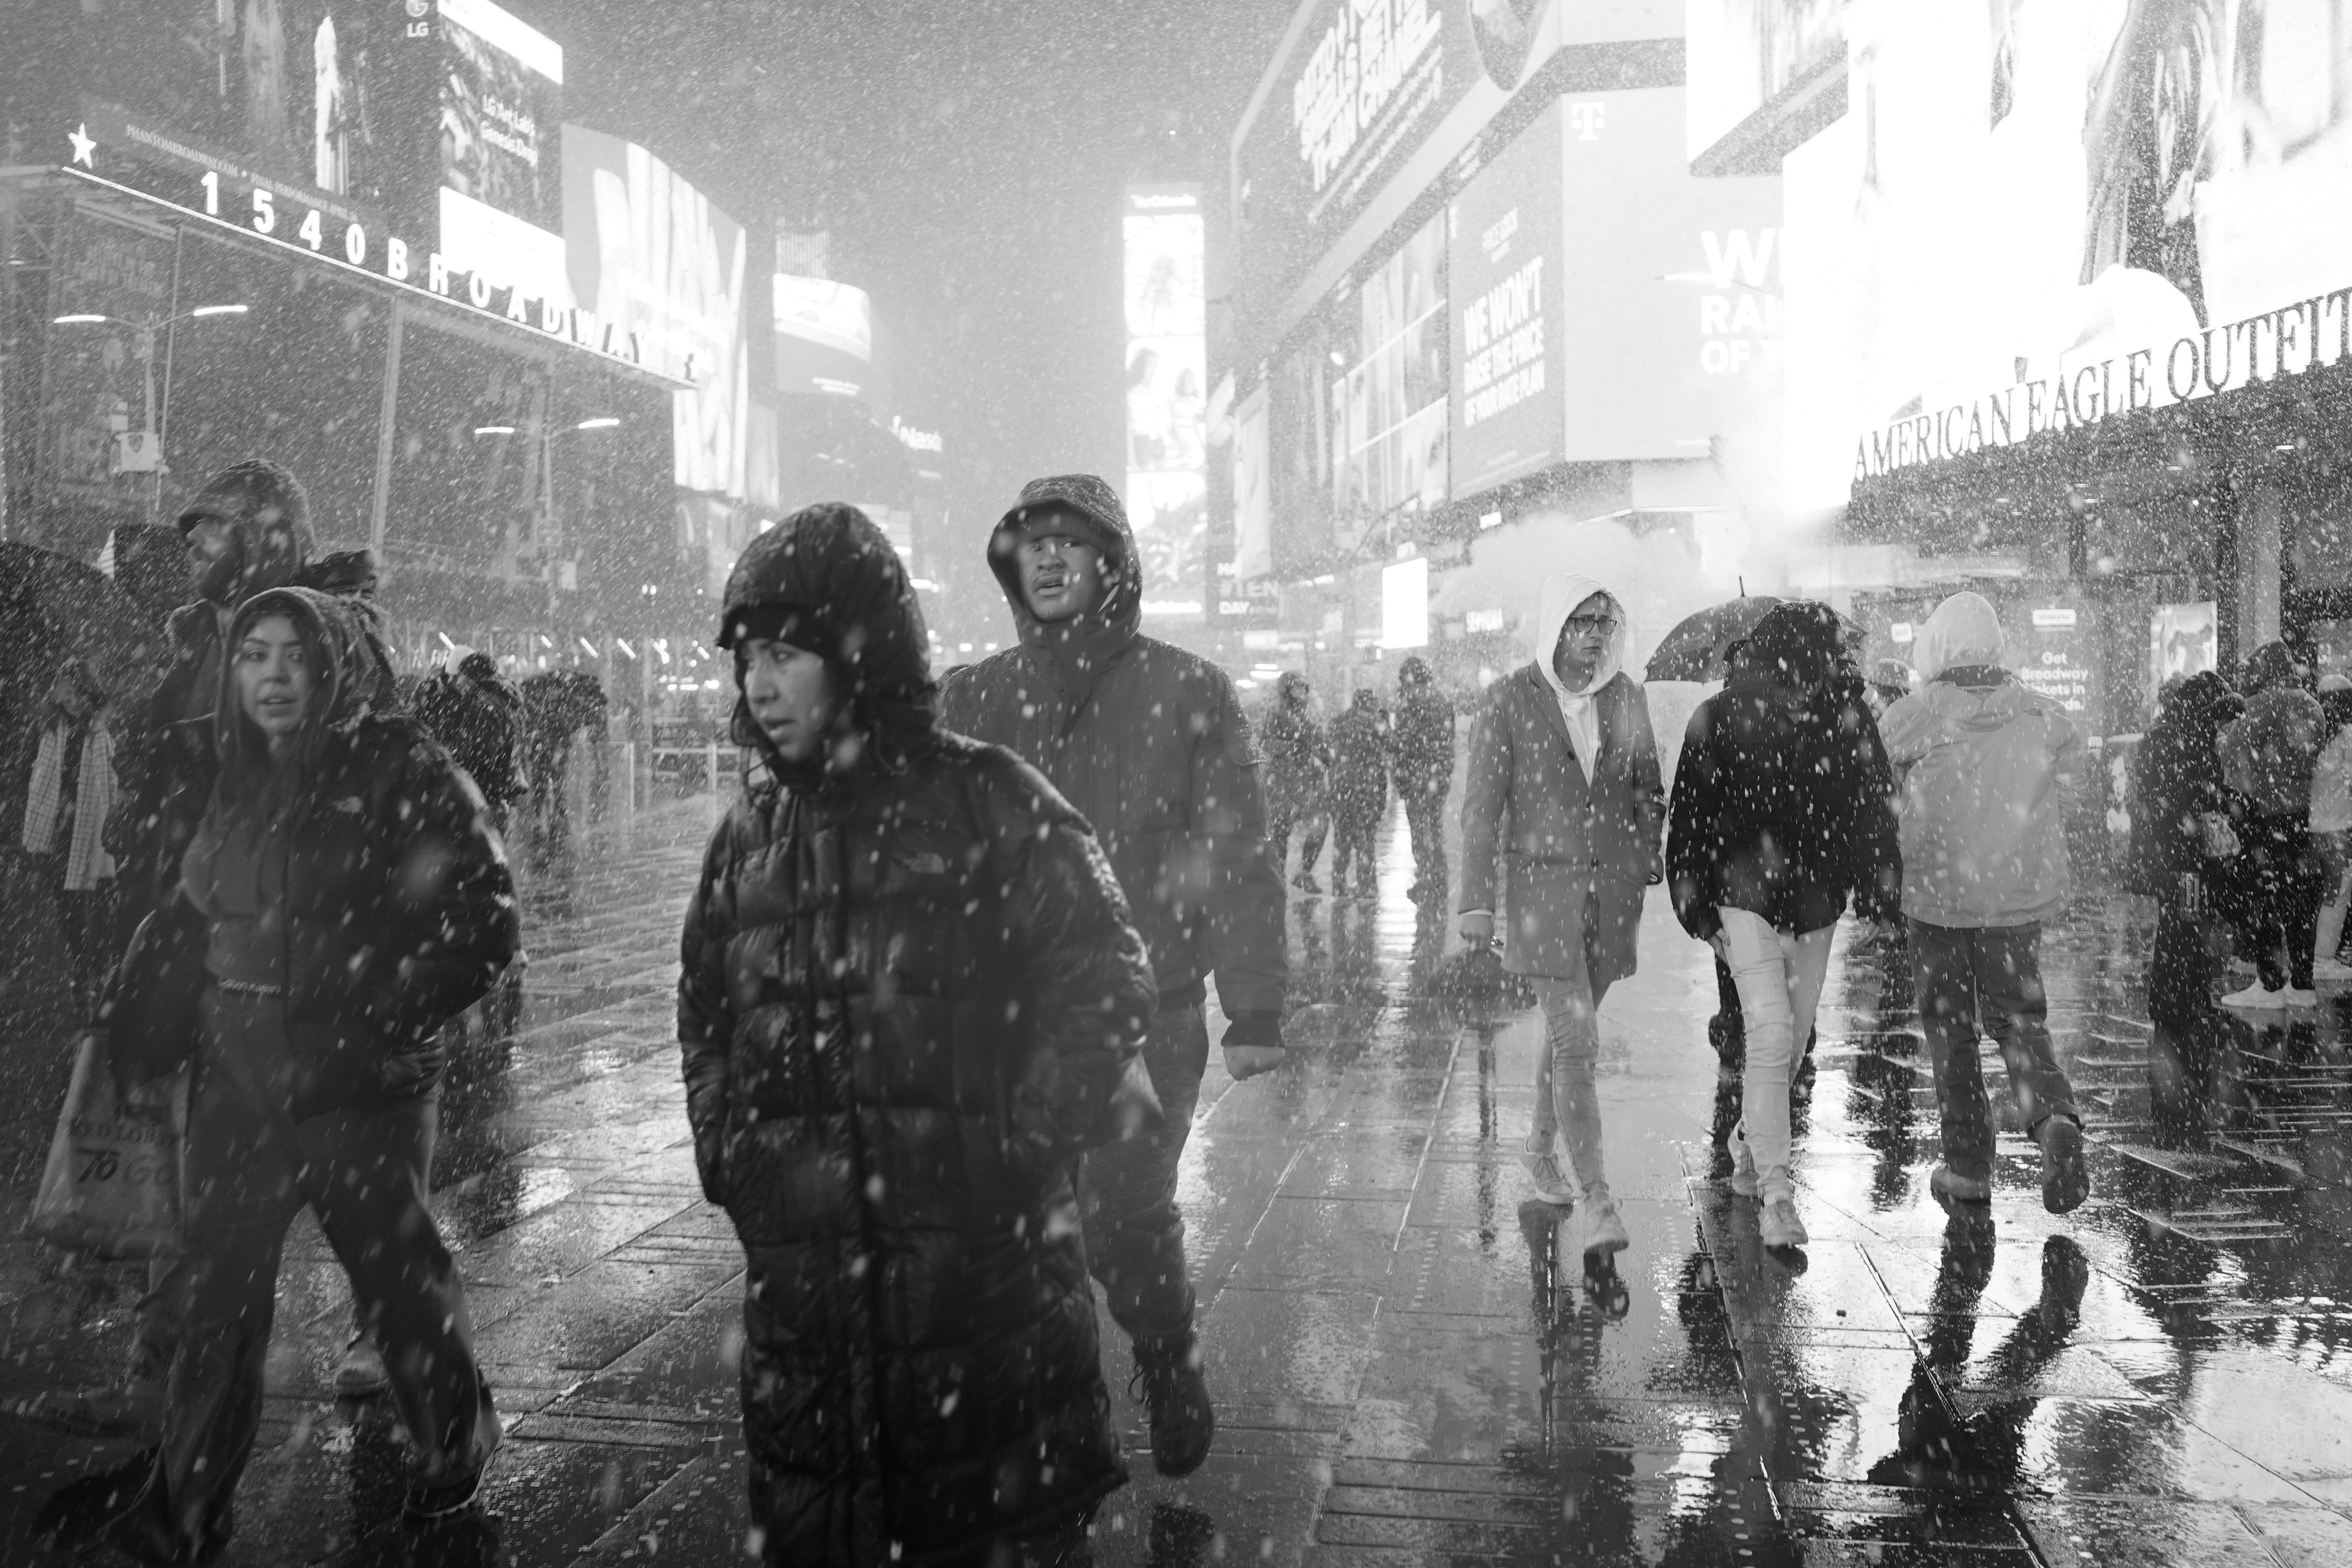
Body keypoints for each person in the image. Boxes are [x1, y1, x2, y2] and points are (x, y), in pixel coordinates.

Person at [681, 504, 1157, 1566]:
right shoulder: (748, 840)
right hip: (807, 1315)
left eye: (787, 653)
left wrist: (1013, 1150)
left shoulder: (984, 802)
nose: (760, 683)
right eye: (750, 656)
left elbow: (1104, 976)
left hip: (982, 1302)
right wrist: (732, 1156)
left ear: (857, 656)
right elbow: (705, 1008)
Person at [36, 587, 513, 1561]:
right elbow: (192, 906)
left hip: (357, 1084)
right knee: (217, 1301)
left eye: (294, 656)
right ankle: (182, 1514)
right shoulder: (234, 773)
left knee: (396, 1284)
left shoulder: (404, 768)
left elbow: (485, 917)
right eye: (253, 655)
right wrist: (142, 1005)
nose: (273, 676)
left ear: (333, 665)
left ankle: (456, 1437)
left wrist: (379, 1000)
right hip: (234, 1083)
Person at [939, 473, 1288, 1479]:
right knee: (1022, 1232)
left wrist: (1254, 1002)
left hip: (1148, 1015)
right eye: (1031, 544)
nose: (1048, 559)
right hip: (1010, 1020)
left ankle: (1166, 1352)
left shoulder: (1188, 689)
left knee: (1121, 1216)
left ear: (1112, 565)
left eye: (1072, 543)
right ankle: (1067, 1408)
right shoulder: (975, 696)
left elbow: (1238, 855)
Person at [42, 459, 388, 1443]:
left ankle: (387, 1327)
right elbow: (171, 761)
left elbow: (341, 758)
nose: (191, 551)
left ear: (266, 537)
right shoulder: (196, 634)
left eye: (211, 534)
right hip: (194, 932)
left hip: (300, 946)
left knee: (343, 1172)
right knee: (191, 1166)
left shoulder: (328, 625)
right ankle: (157, 1379)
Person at [1668, 601, 1900, 1250]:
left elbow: (1875, 807)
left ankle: (1749, 1139)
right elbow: (1689, 818)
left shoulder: (1846, 715)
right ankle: (1777, 1192)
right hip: (1743, 899)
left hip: (1816, 902)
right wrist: (1695, 905)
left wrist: (1881, 893)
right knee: (1771, 1034)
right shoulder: (1718, 716)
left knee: (1792, 1041)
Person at [1458, 573, 1663, 1260]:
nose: (1596, 634)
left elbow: (1647, 789)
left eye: (1605, 621)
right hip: (1541, 902)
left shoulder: (1626, 697)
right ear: (1556, 625)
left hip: (1611, 900)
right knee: (1578, 1040)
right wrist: (1476, 902)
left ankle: (1540, 1148)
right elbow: (1482, 808)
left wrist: (1642, 856)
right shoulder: (1508, 701)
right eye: (1582, 620)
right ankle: (1599, 1196)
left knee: (1567, 1035)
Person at [1877, 592, 2089, 1214]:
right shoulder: (2043, 715)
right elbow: (2073, 792)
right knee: (2020, 1024)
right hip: (2016, 904)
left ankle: (1969, 1167)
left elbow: (1877, 787)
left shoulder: (1913, 716)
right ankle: (2053, 1120)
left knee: (1952, 1032)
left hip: (1938, 901)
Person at [2128, 670, 2245, 1027]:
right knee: (2184, 926)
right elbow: (2177, 797)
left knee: (2187, 924)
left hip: (2178, 852)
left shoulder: (2173, 731)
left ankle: (2185, 1000)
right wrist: (2210, 800)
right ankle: (2177, 1004)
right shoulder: (2175, 737)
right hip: (2180, 857)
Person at [2218, 641, 2325, 1008]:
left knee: (2263, 894)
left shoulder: (2263, 704)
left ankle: (2270, 983)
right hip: (2305, 815)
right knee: (2301, 899)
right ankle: (2303, 984)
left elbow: (2233, 750)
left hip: (2268, 815)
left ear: (2264, 671)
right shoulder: (2312, 705)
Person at [18, 658, 118, 1011]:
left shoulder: (102, 730)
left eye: (78, 694)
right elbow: (28, 777)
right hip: (60, 829)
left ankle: (104, 965)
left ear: (90, 692)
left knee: (104, 897)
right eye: (65, 696)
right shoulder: (48, 730)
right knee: (67, 903)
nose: (72, 702)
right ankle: (82, 966)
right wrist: (52, 807)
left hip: (97, 827)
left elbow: (117, 775)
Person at [1391, 655, 1456, 903]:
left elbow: (1404, 744)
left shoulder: (1412, 703)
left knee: (1420, 830)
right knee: (1434, 827)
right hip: (1435, 776)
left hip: (1418, 776)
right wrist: (1441, 774)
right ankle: (1439, 880)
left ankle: (1427, 879)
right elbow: (1447, 744)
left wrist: (1388, 738)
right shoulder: (1442, 700)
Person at [1261, 672, 1333, 892]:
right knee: (1280, 831)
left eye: (1304, 688)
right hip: (1282, 778)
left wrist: (1329, 760)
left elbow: (1319, 740)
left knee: (1319, 825)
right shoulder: (1275, 712)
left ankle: (1304, 872)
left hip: (1308, 778)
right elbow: (1266, 742)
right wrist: (1291, 747)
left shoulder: (1310, 712)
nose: (1302, 692)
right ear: (1286, 691)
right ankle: (1278, 875)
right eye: (1297, 688)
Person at [2307, 675, 2352, 982]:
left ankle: (2319, 955)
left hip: (2316, 828)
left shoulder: (2314, 734)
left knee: (2325, 892)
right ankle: (2324, 959)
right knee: (2338, 894)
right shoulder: (2348, 735)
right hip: (2341, 826)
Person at [1327, 688, 1390, 899]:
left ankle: (1339, 884)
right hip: (1367, 787)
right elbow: (1392, 744)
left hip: (1341, 787)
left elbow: (1331, 753)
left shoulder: (1338, 722)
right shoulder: (1375, 722)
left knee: (1343, 837)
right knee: (1365, 837)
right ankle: (1367, 885)